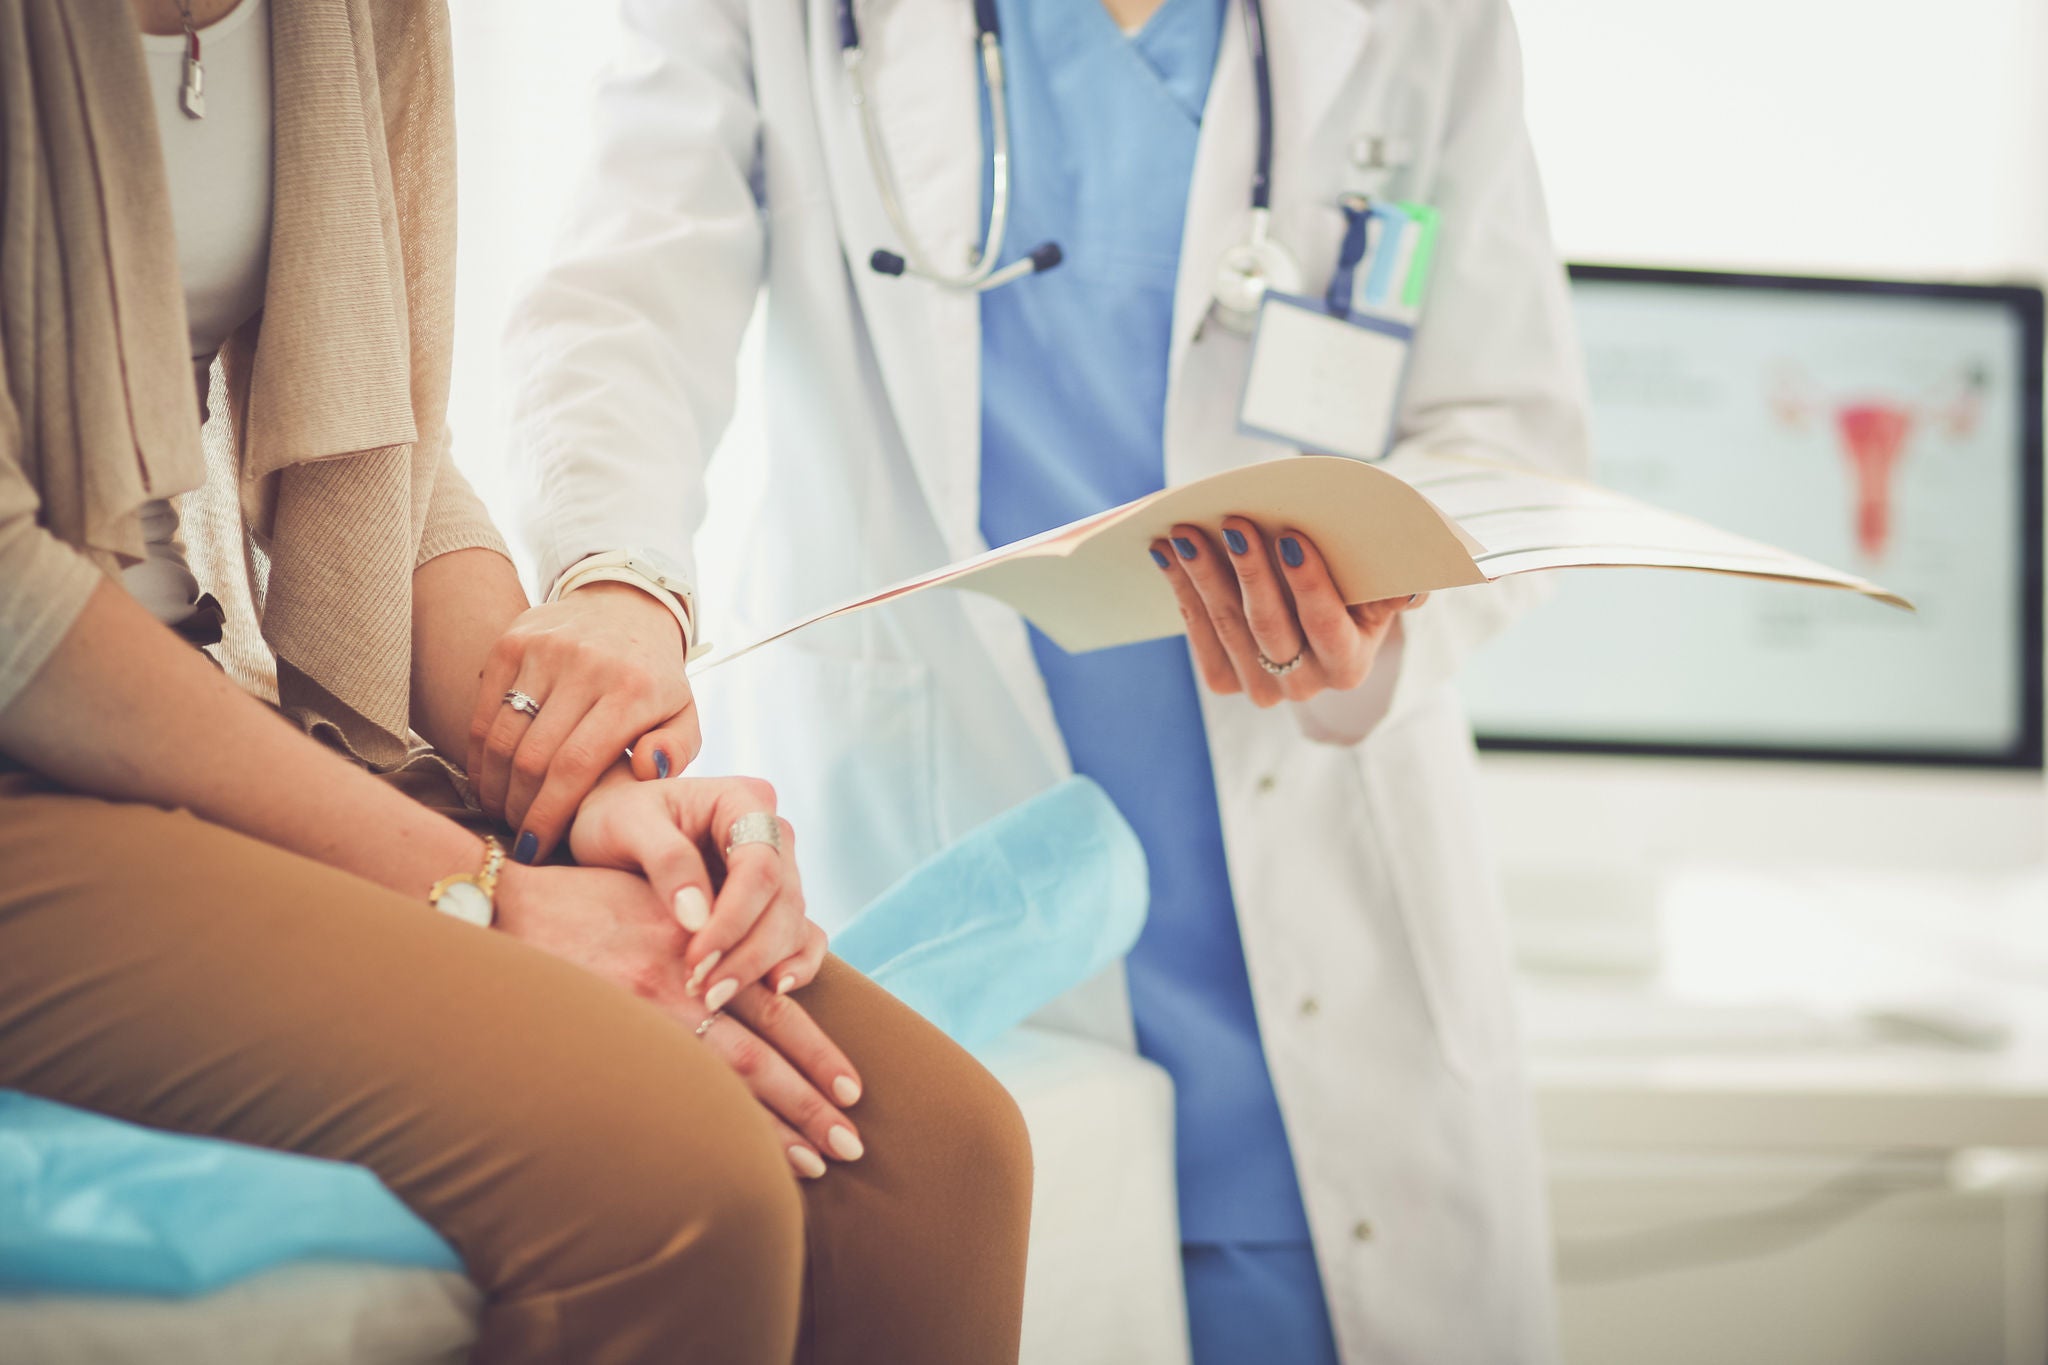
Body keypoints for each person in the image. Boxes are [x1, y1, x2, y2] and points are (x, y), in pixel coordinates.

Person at [497, 0, 1589, 1359]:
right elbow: (625, 296)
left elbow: (1509, 429)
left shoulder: (1424, 24)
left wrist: (1393, 587)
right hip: (951, 878)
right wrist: (618, 570)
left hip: (1323, 939)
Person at [0, 2, 1032, 1362]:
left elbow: (379, 459)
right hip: (36, 752)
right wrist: (478, 888)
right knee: (676, 1177)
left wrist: (581, 787)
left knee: (941, 1162)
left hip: (206, 710)